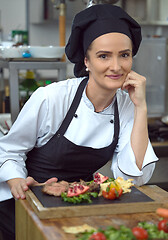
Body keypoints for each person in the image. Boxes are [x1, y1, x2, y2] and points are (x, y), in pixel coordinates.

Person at [0, 4, 158, 240]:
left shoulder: (127, 104)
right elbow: (9, 150)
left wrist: (141, 107)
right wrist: (17, 180)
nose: (116, 66)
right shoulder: (52, 97)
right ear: (86, 61)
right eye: (103, 56)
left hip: (76, 209)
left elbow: (132, 178)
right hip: (23, 206)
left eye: (124, 55)